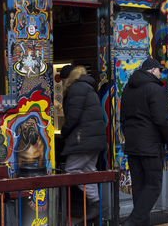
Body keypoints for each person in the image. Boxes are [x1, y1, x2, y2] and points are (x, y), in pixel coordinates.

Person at [120, 58, 168, 226]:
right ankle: (133, 221)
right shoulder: (155, 89)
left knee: (139, 187)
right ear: (152, 70)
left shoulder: (127, 89)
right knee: (153, 185)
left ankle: (140, 223)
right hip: (150, 146)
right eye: (159, 70)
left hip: (132, 146)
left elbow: (123, 119)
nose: (161, 73)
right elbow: (162, 120)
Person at [60, 65, 107, 224]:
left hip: (84, 139)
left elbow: (73, 117)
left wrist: (63, 132)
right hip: (94, 138)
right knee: (88, 170)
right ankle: (96, 206)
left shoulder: (76, 89)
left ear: (67, 78)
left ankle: (95, 206)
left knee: (71, 169)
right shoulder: (87, 87)